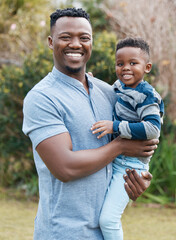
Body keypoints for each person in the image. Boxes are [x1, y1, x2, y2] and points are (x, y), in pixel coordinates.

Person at [22, 8, 158, 240]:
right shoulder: (42, 98)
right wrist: (122, 146)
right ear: (50, 41)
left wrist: (137, 177)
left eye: (84, 38)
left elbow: (140, 140)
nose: (76, 44)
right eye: (66, 37)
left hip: (105, 231)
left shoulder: (109, 92)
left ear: (91, 42)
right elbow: (65, 168)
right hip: (63, 233)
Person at [91, 37, 164, 240]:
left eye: (133, 63)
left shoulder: (146, 95)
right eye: (120, 63)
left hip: (131, 166)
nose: (125, 68)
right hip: (114, 159)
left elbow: (152, 129)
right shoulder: (121, 87)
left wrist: (114, 127)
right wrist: (91, 81)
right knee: (97, 217)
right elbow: (109, 92)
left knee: (108, 220)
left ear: (147, 67)